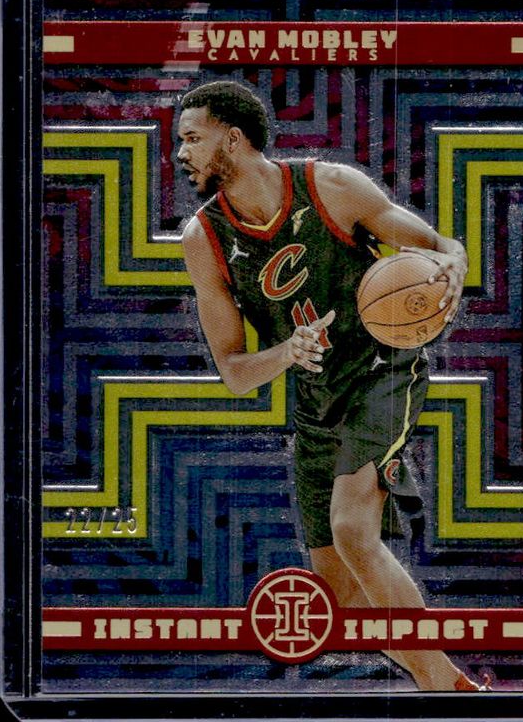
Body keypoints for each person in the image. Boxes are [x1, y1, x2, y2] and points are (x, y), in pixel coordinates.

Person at [180, 80, 485, 691]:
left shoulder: (332, 187)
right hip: (317, 403)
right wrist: (286, 352)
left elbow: (437, 245)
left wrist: (452, 260)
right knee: (343, 599)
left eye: (192, 138)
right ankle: (453, 685)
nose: (181, 153)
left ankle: (442, 694)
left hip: (382, 370)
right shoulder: (203, 238)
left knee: (352, 529)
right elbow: (234, 372)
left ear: (232, 140)